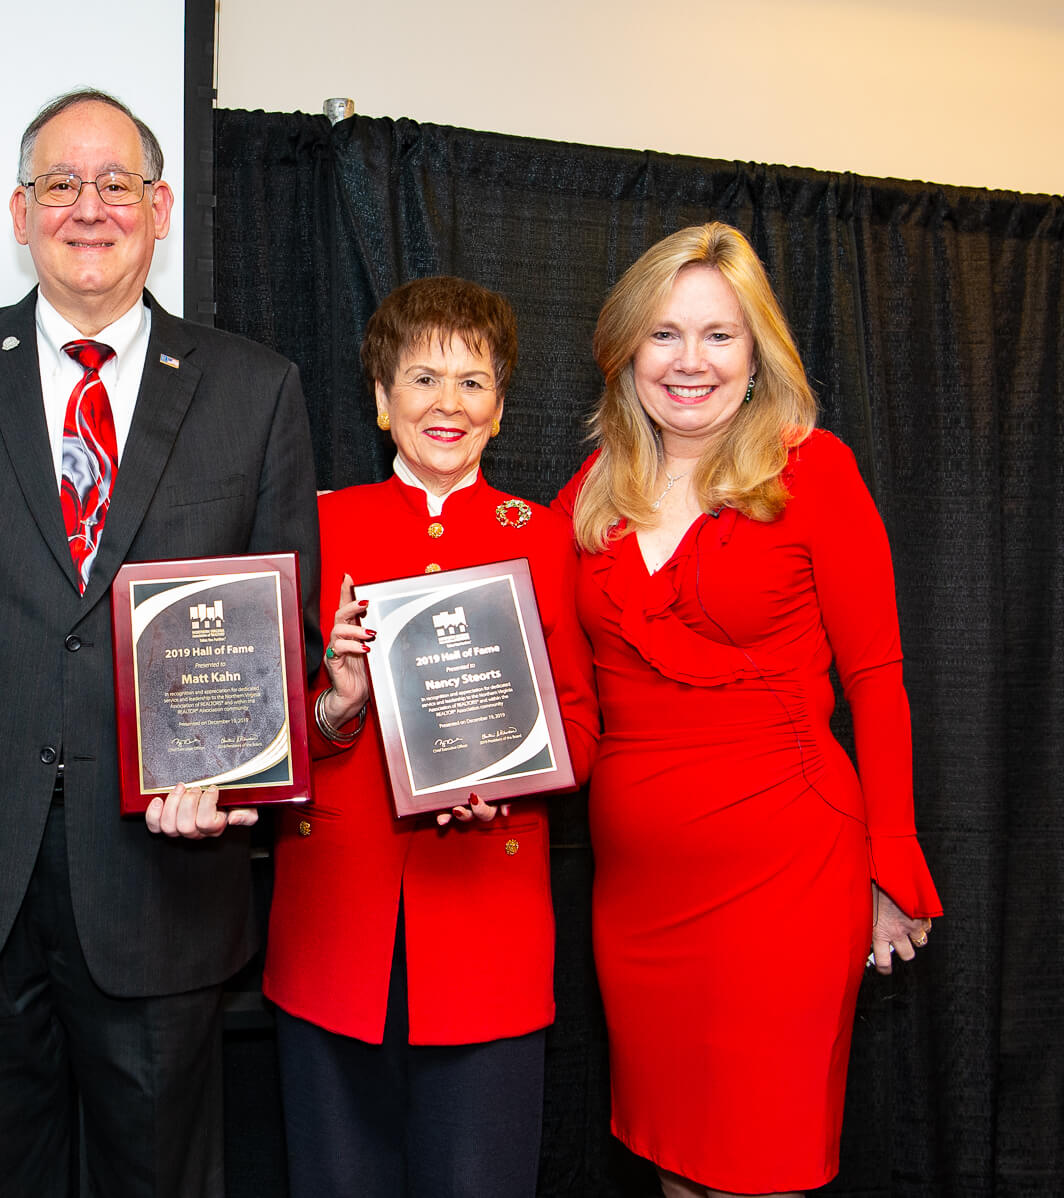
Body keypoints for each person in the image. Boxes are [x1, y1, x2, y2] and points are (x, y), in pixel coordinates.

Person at [0, 89, 321, 1197]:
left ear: (161, 207)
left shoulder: (254, 389)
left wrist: (231, 774)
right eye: (61, 185)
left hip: (164, 883)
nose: (90, 208)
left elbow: (287, 625)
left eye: (116, 183)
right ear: (19, 210)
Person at [554, 223, 942, 1197]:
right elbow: (569, 703)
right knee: (674, 1163)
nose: (691, 361)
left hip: (787, 876)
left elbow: (879, 680)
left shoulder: (816, 472)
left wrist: (889, 860)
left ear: (757, 350)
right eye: (665, 334)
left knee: (760, 1166)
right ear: (625, 350)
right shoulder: (586, 499)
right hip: (638, 896)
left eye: (720, 335)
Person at [263, 277, 599, 1197]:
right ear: (381, 402)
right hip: (335, 931)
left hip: (487, 927)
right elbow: (257, 735)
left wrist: (517, 773)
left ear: (499, 411)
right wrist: (336, 705)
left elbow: (579, 725)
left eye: (473, 383)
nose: (447, 404)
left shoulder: (546, 537)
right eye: (422, 378)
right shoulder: (314, 528)